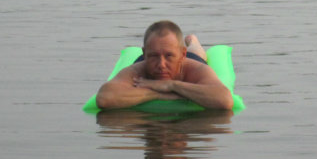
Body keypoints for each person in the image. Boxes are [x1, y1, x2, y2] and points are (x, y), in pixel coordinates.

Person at [96, 21, 233, 110]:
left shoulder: (196, 68)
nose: (161, 65)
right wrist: (158, 94)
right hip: (147, 62)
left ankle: (193, 42)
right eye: (153, 56)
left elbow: (225, 100)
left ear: (182, 54)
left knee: (197, 53)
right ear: (145, 53)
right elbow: (104, 98)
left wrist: (172, 85)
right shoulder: (137, 70)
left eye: (168, 56)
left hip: (188, 60)